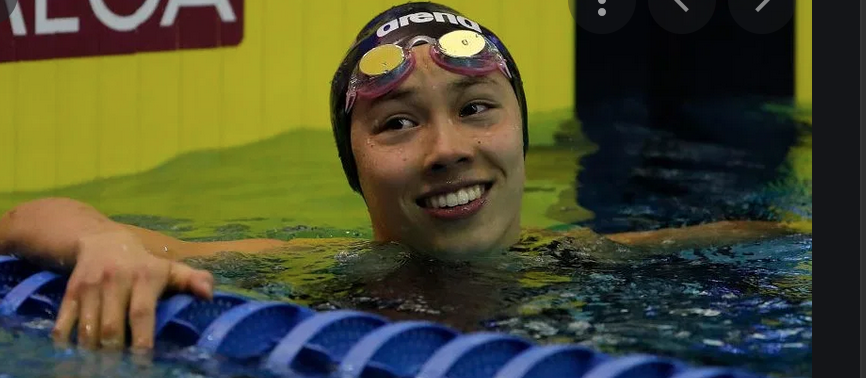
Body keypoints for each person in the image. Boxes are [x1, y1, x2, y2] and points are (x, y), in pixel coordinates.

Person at [0, 2, 791, 352]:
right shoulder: (305, 269)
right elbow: (27, 219)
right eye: (397, 123)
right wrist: (104, 242)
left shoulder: (588, 256)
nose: (446, 149)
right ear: (355, 170)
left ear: (519, 135)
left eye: (477, 108)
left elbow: (757, 239)